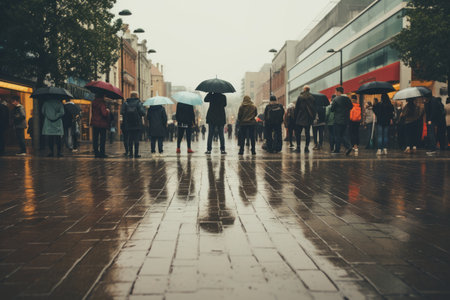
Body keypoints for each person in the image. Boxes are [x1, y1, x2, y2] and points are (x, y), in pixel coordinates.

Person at [121, 91, 145, 158]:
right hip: (137, 123)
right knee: (136, 139)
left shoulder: (126, 103)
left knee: (130, 139)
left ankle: (131, 153)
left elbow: (122, 112)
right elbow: (143, 113)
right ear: (137, 96)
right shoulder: (139, 103)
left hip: (128, 123)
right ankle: (136, 154)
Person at [330, 87, 353, 155]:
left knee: (337, 135)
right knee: (343, 134)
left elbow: (332, 109)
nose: (335, 93)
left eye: (335, 92)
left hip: (338, 120)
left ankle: (337, 149)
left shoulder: (336, 99)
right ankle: (348, 146)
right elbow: (351, 107)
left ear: (338, 92)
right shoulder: (347, 98)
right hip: (346, 120)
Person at [294, 85, 316, 153]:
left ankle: (298, 148)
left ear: (304, 89)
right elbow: (314, 109)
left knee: (298, 133)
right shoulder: (312, 98)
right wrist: (313, 118)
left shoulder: (300, 97)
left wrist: (295, 118)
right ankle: (306, 148)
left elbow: (296, 108)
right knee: (307, 133)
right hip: (308, 118)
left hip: (300, 118)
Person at [91, 94, 110, 158]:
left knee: (95, 139)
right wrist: (107, 111)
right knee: (102, 139)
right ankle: (102, 153)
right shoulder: (102, 103)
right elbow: (104, 113)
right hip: (102, 123)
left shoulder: (93, 102)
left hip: (94, 122)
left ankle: (96, 153)